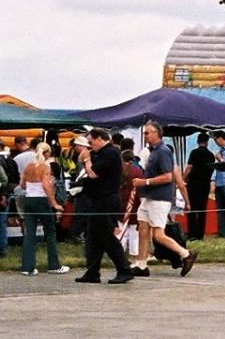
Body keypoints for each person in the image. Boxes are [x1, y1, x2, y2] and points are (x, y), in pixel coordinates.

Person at [131, 120, 197, 277]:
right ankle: (141, 264)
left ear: (156, 134)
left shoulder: (163, 151)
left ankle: (186, 254)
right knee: (143, 228)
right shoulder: (152, 151)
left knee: (158, 234)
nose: (145, 135)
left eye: (147, 133)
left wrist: (144, 182)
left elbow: (168, 177)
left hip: (159, 198)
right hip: (148, 197)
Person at [73, 128, 133, 284]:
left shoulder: (110, 153)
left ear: (100, 138)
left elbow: (93, 173)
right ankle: (92, 271)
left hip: (106, 200)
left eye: (91, 142)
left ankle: (124, 269)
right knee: (93, 237)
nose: (90, 146)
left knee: (106, 235)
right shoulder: (98, 153)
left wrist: (86, 160)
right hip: (95, 199)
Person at [18, 143, 68, 275]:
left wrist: (31, 186)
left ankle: (27, 267)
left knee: (30, 233)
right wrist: (54, 203)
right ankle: (53, 265)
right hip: (41, 200)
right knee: (50, 231)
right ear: (48, 154)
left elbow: (22, 185)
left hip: (29, 200)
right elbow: (46, 186)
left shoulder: (28, 166)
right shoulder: (45, 167)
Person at [183, 132, 216, 240]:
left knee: (192, 207)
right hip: (205, 183)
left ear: (197, 142)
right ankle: (200, 234)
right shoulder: (211, 155)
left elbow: (190, 167)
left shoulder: (194, 153)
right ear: (207, 142)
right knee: (202, 209)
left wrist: (183, 179)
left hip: (194, 183)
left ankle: (192, 233)